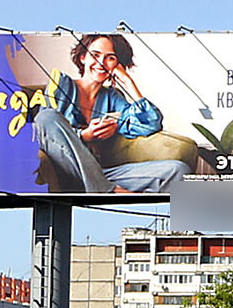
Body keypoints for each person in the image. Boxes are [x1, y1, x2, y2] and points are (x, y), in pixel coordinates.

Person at [32, 32, 188, 195]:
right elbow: (45, 131)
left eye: (110, 57)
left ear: (118, 64)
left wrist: (128, 81)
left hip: (98, 174)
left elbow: (151, 123)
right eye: (95, 54)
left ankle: (103, 188)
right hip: (61, 171)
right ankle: (106, 191)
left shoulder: (113, 97)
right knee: (47, 116)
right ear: (83, 57)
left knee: (178, 170)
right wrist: (84, 136)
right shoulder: (61, 84)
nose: (101, 62)